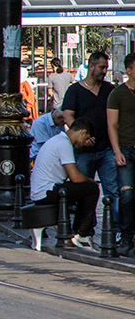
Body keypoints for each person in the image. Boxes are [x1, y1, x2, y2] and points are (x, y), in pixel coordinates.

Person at [30, 118, 101, 249]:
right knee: (91, 189)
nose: (85, 143)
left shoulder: (57, 140)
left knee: (84, 189)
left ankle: (77, 231)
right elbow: (75, 177)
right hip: (47, 191)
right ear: (82, 132)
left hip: (40, 191)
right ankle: (82, 234)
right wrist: (91, 181)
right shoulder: (64, 144)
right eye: (86, 138)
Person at [63, 51, 116, 221]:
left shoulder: (109, 89)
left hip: (106, 148)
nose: (104, 71)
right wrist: (80, 134)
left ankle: (115, 231)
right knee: (85, 191)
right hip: (83, 150)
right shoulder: (75, 90)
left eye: (106, 68)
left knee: (112, 189)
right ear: (91, 66)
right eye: (101, 67)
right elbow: (68, 115)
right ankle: (85, 230)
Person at [107, 51, 135, 254]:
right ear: (129, 70)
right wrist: (117, 151)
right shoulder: (117, 94)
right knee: (126, 194)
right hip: (125, 149)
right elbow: (112, 125)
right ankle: (126, 238)